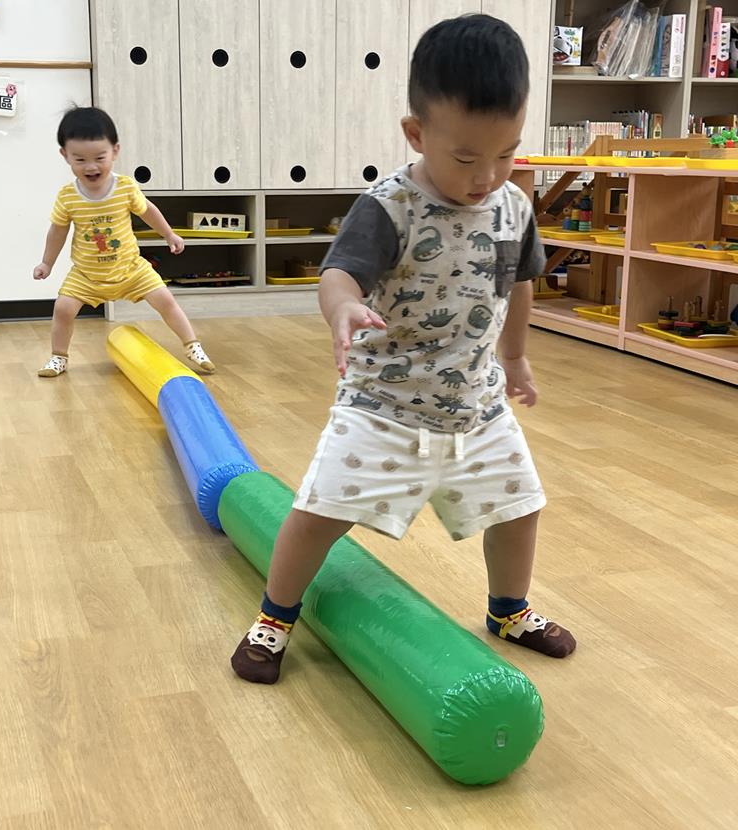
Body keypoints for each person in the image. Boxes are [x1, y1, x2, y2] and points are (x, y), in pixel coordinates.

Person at [231, 14, 576, 685]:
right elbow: (339, 273)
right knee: (320, 513)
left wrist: (514, 358)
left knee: (520, 507)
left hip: (476, 404)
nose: (487, 176)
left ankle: (509, 610)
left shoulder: (513, 205)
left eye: (506, 154)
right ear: (417, 134)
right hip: (383, 405)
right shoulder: (389, 206)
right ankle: (275, 615)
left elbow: (520, 281)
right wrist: (341, 307)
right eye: (467, 158)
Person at [33, 106, 214, 377]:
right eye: (80, 159)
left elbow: (148, 210)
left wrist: (169, 234)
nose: (91, 167)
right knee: (63, 309)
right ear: (65, 155)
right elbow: (57, 231)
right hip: (87, 275)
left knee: (166, 300)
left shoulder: (125, 187)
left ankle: (192, 346)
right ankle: (59, 357)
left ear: (115, 151)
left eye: (100, 157)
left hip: (131, 269)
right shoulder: (67, 196)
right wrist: (46, 263)